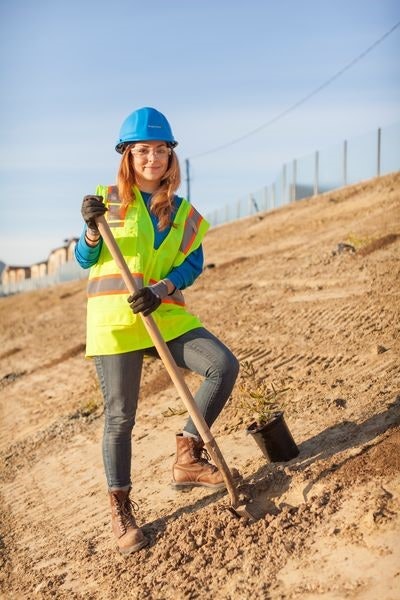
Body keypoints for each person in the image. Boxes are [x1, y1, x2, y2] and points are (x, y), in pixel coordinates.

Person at [75, 107, 240, 555]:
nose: (152, 157)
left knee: (222, 366)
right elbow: (85, 260)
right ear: (127, 156)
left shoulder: (183, 212)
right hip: (115, 321)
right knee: (120, 417)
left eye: (161, 149)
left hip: (162, 313)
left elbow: (193, 263)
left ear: (171, 156)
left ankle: (187, 456)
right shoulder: (104, 201)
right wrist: (91, 231)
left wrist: (162, 287)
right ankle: (120, 507)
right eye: (143, 149)